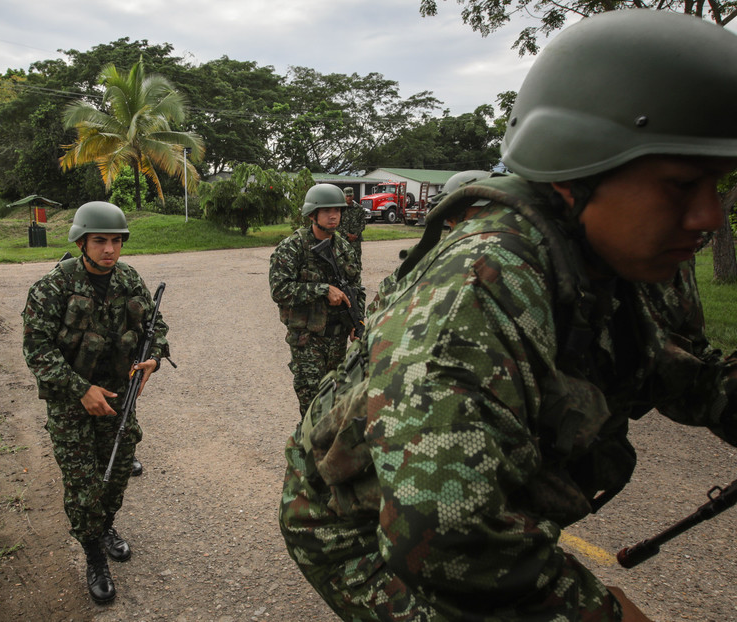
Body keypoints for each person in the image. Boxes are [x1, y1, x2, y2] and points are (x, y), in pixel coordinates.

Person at [279, 10, 737, 622]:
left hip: (486, 491)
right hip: (364, 530)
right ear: (579, 170)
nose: (709, 217)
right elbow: (445, 538)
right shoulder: (472, 296)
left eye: (720, 184)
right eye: (682, 184)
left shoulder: (637, 265)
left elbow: (677, 366)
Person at [22, 201, 170, 604]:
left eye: (116, 241)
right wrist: (79, 389)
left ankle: (105, 526)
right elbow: (36, 349)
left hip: (118, 398)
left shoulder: (129, 280)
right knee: (84, 483)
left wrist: (153, 359)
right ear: (82, 241)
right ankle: (92, 554)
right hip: (72, 402)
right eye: (100, 240)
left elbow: (155, 328)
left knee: (117, 472)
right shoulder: (54, 286)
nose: (109, 249)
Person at [270, 183, 365, 419]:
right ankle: (307, 451)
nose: (334, 216)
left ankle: (329, 453)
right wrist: (323, 290)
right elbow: (279, 290)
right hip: (308, 340)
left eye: (338, 210)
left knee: (337, 401)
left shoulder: (344, 248)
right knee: (313, 404)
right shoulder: (292, 247)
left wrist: (357, 322)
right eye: (327, 211)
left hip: (337, 338)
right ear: (313, 214)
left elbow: (355, 289)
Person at [337, 186, 366, 277]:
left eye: (350, 196)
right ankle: (344, 280)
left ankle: (357, 281)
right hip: (344, 239)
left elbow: (363, 223)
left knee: (356, 259)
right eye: (347, 196)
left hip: (356, 240)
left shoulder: (359, 208)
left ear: (353, 196)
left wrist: (355, 235)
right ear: (343, 196)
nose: (348, 198)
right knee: (343, 260)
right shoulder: (340, 209)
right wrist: (347, 234)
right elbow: (337, 224)